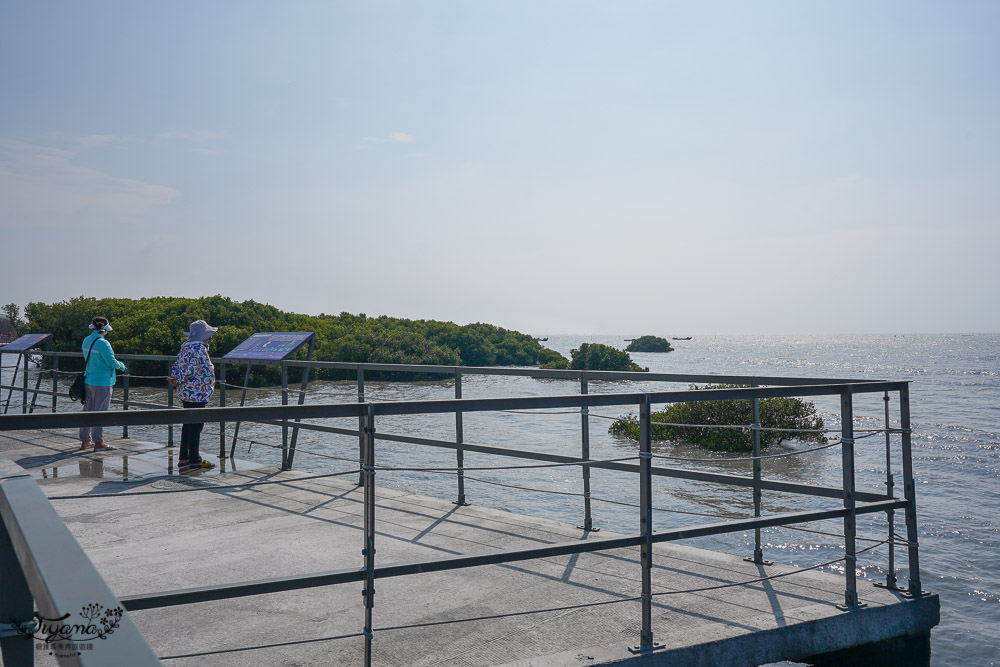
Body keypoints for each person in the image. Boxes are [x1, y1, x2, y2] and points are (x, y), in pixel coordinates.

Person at [168, 320, 218, 470]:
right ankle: (195, 459)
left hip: (186, 392)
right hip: (197, 392)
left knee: (187, 424)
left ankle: (184, 458)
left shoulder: (185, 347)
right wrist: (179, 379)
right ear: (204, 336)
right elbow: (192, 369)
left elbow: (177, 365)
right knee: (196, 425)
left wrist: (175, 379)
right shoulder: (199, 348)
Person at [80, 317, 127, 450]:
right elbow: (111, 362)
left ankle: (85, 440)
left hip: (88, 380)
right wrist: (122, 366)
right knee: (100, 412)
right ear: (105, 329)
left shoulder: (86, 340)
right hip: (103, 382)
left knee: (87, 411)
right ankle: (99, 442)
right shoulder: (103, 343)